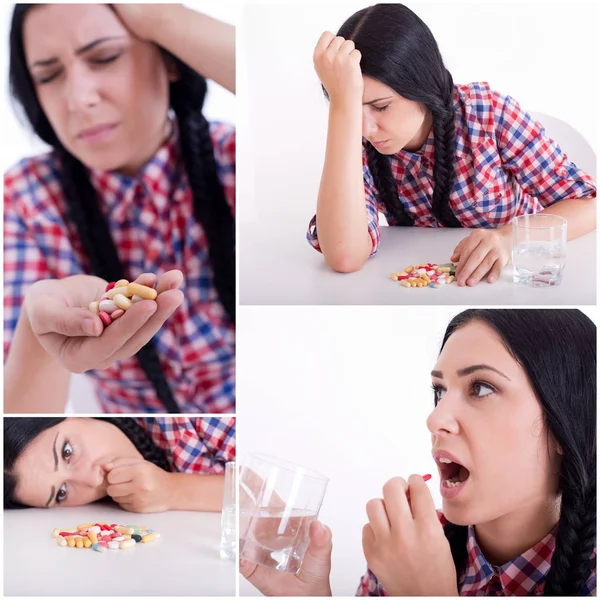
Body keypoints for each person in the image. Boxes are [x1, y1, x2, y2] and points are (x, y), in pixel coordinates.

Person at [240, 309, 596, 595]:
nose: (435, 418)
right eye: (440, 391)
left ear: (564, 421)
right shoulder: (413, 546)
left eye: (482, 388)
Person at [4, 4, 236, 414]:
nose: (78, 99)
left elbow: (300, 100)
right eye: (48, 75)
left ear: (170, 58)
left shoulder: (234, 158)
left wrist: (162, 17)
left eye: (105, 57)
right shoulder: (25, 197)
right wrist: (37, 330)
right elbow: (19, 436)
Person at [307, 4, 596, 280]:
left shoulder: (489, 115)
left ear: (421, 85)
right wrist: (340, 107)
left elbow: (588, 205)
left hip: (516, 281)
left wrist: (509, 238)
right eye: (351, 109)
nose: (365, 128)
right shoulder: (354, 141)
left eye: (380, 106)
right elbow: (344, 256)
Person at [4, 416, 236, 512]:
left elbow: (267, 492)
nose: (93, 480)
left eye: (67, 452)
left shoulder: (193, 421)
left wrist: (174, 490)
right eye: (62, 492)